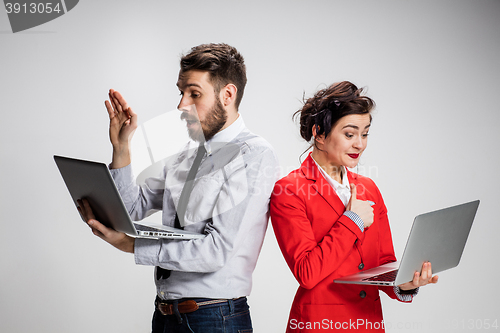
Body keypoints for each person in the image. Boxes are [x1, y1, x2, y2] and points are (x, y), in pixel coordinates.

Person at [77, 43, 279, 333]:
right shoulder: (186, 153)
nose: (181, 105)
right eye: (181, 92)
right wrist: (121, 147)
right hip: (166, 315)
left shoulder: (254, 155)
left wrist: (131, 245)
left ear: (228, 95)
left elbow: (216, 250)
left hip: (215, 318)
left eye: (194, 94)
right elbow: (132, 208)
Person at [269, 81, 438, 332]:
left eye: (365, 133)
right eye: (349, 134)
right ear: (319, 134)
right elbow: (307, 272)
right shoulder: (290, 190)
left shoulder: (369, 188)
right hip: (319, 324)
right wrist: (352, 220)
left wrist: (406, 283)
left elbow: (383, 265)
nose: (360, 144)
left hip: (368, 323)